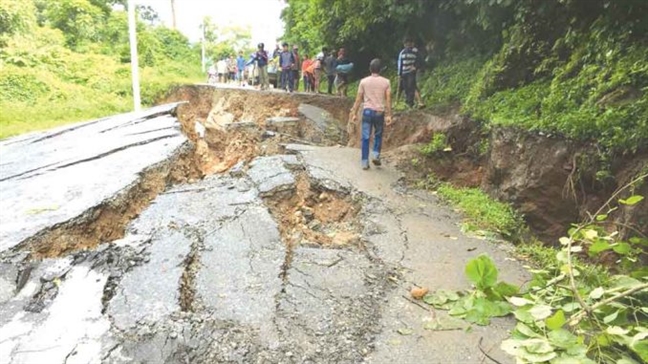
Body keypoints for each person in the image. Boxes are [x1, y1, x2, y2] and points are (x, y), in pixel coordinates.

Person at [349, 58, 392, 170]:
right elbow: (388, 100)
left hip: (367, 112)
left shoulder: (363, 82)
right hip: (379, 112)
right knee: (378, 134)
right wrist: (388, 115)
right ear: (380, 70)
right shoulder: (386, 82)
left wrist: (354, 113)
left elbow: (358, 99)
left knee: (365, 137)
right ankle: (376, 154)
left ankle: (364, 162)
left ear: (370, 69)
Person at [397, 37, 420, 108]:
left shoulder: (415, 52)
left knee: (411, 86)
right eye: (406, 44)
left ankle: (411, 103)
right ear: (404, 45)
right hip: (404, 73)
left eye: (409, 43)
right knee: (405, 87)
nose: (408, 45)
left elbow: (420, 61)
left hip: (411, 72)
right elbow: (400, 64)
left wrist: (415, 67)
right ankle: (408, 102)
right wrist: (399, 74)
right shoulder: (402, 53)